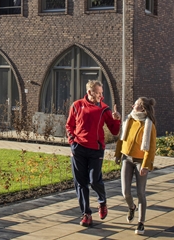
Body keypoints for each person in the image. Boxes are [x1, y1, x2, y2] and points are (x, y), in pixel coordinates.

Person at [66, 80, 121, 227]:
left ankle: (102, 202)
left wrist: (117, 120)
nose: (100, 96)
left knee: (94, 180)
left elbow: (114, 131)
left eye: (101, 93)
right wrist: (72, 142)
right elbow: (69, 125)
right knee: (80, 183)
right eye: (98, 93)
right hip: (78, 149)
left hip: (96, 149)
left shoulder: (104, 109)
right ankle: (86, 214)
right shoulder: (77, 105)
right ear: (89, 92)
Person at [115, 97, 157, 235]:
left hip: (140, 161)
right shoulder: (129, 119)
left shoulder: (149, 125)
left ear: (142, 108)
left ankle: (141, 223)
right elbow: (121, 138)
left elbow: (151, 148)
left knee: (140, 193)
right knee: (125, 191)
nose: (133, 106)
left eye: (136, 104)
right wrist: (118, 154)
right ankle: (131, 207)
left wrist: (145, 165)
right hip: (126, 158)